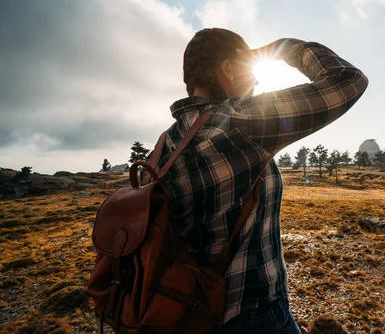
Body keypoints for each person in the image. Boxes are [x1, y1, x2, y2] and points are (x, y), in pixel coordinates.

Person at [141, 28, 368, 333]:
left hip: (180, 316)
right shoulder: (240, 122)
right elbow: (348, 81)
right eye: (249, 68)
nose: (258, 80)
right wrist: (284, 48)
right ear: (228, 68)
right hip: (252, 316)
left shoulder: (162, 149)